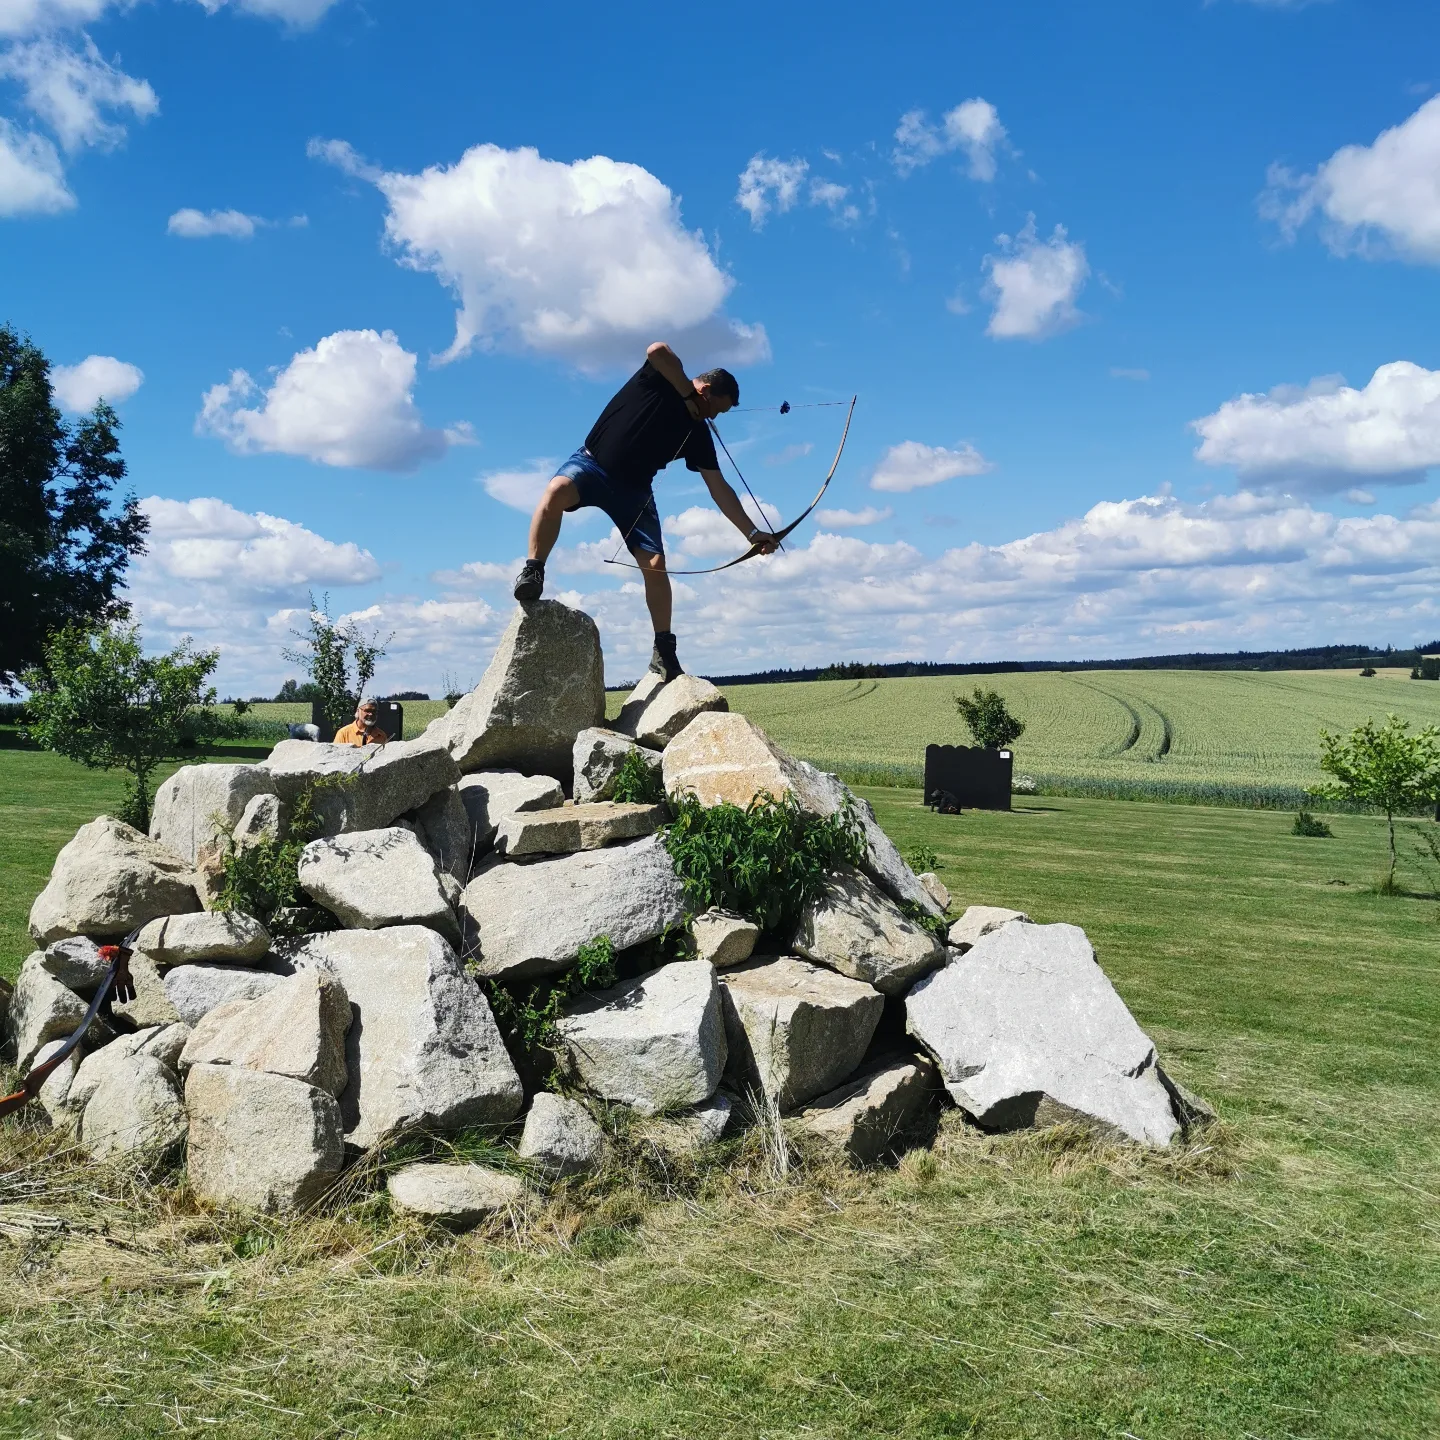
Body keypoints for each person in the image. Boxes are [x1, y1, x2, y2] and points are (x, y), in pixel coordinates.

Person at [513, 341, 779, 681]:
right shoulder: (664, 378)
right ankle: (533, 571)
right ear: (705, 390)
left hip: (634, 491)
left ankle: (663, 650)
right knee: (556, 491)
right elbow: (657, 350)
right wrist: (686, 395)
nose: (713, 418)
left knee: (655, 565)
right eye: (716, 408)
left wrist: (752, 533)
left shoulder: (697, 432)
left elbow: (719, 488)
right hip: (592, 465)